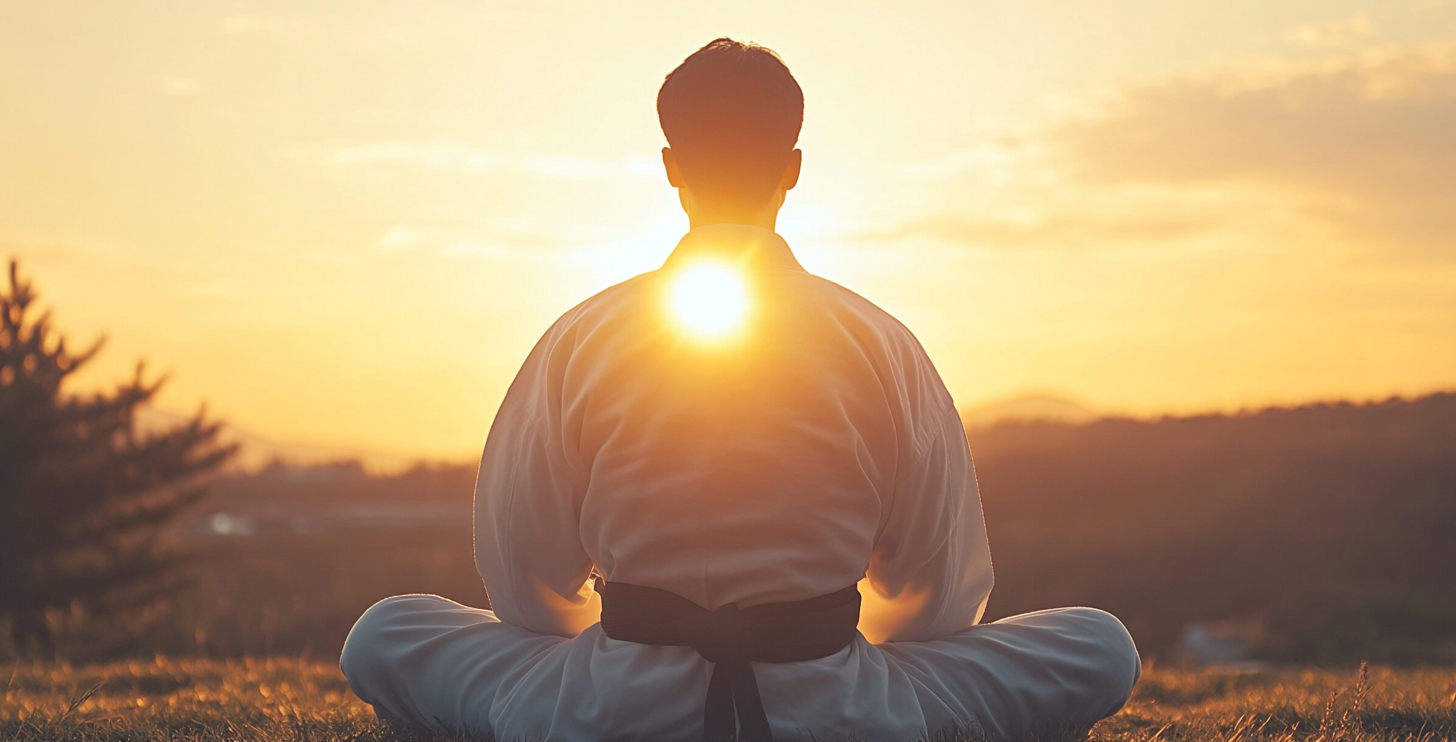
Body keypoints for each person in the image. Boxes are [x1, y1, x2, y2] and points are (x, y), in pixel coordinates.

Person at [340, 38, 1140, 742]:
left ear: (670, 167)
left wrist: (623, 648)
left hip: (610, 708)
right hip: (841, 708)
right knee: (1100, 645)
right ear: (791, 169)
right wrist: (844, 661)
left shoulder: (581, 338)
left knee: (387, 631)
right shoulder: (881, 343)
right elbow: (937, 595)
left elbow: (525, 582)